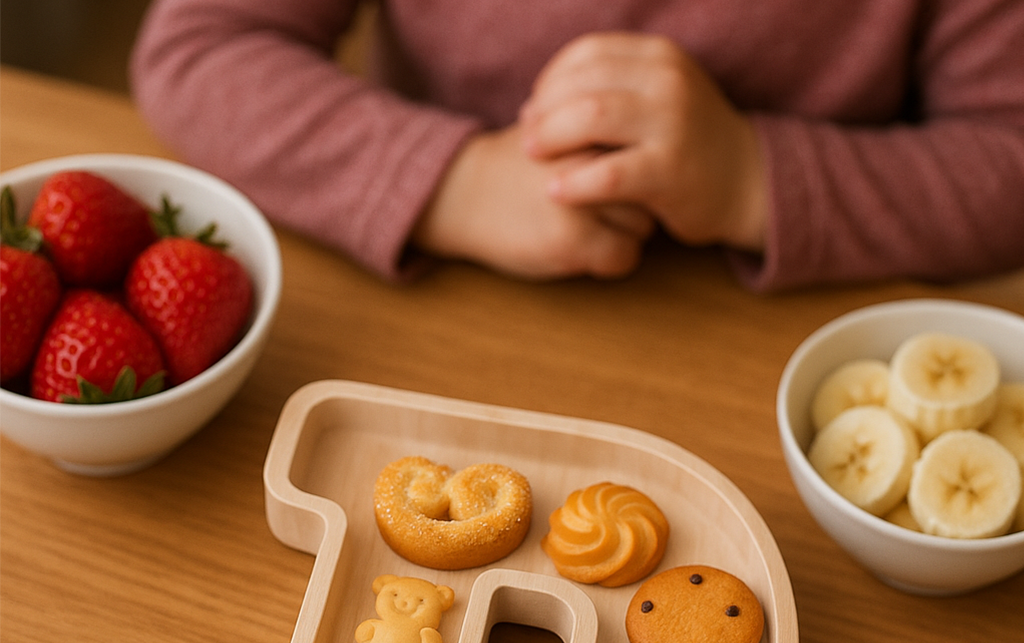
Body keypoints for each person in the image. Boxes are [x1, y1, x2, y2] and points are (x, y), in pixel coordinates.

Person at [130, 0, 1024, 290]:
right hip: (446, 325)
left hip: (797, 351)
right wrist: (455, 182)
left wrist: (756, 178)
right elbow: (200, 45)